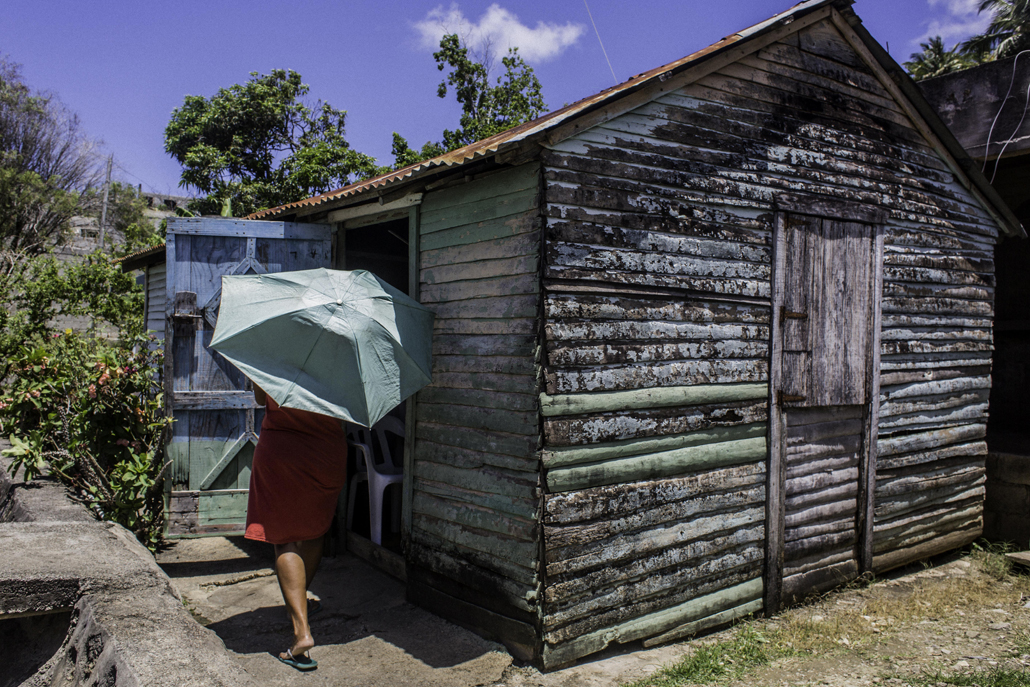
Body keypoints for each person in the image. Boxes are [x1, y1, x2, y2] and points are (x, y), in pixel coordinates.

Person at [245, 383, 348, 672]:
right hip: (326, 452)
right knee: (315, 530)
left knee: (284, 538)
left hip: (282, 450)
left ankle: (301, 632)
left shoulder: (274, 349)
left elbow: (260, 398)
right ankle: (300, 602)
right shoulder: (341, 354)